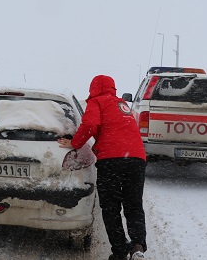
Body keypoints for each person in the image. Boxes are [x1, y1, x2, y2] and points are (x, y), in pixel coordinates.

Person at [58, 75, 147, 260]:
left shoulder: (97, 101)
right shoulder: (121, 104)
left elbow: (90, 124)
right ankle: (137, 246)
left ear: (93, 88)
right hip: (137, 159)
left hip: (112, 160)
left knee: (111, 207)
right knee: (133, 204)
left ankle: (120, 251)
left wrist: (75, 142)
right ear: (113, 88)